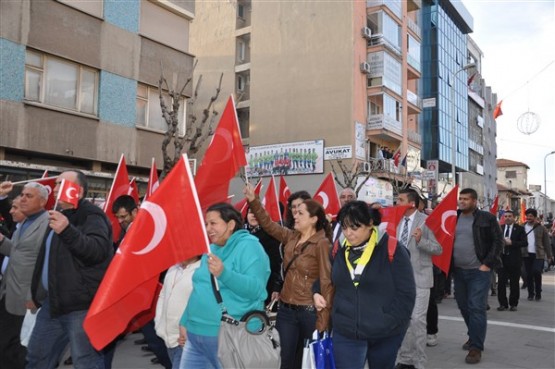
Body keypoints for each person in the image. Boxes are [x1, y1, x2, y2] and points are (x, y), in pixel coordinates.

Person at [26, 170, 113, 369]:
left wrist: (67, 230)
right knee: (36, 358)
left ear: (78, 191)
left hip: (80, 306)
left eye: (60, 184)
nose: (54, 189)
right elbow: (46, 259)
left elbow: (97, 251)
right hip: (52, 303)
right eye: (55, 184)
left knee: (85, 362)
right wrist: (36, 292)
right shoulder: (60, 214)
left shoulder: (91, 215)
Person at [244, 184, 333, 369]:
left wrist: (323, 320)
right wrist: (253, 201)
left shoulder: (322, 243)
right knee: (283, 359)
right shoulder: (291, 237)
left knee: (309, 361)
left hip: (310, 312)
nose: (295, 216)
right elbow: (268, 224)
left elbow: (326, 281)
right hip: (286, 311)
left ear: (314, 219)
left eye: (301, 213)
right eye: (295, 212)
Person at [179, 203, 270, 369]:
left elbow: (257, 290)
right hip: (195, 335)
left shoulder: (250, 246)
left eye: (213, 223)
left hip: (229, 338)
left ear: (230, 225)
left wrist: (224, 274)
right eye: (206, 224)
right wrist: (184, 320)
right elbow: (200, 285)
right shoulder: (211, 249)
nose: (208, 229)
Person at [331, 201, 415, 369]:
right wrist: (317, 291)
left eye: (354, 228)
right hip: (346, 331)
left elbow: (407, 293)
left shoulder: (392, 249)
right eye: (345, 227)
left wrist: (390, 320)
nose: (348, 233)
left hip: (384, 334)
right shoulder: (338, 248)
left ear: (370, 224)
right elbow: (326, 279)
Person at [110, 194, 172, 369]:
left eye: (124, 216)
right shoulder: (127, 233)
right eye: (118, 217)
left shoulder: (147, 231)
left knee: (158, 343)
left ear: (135, 212)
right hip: (140, 297)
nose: (121, 221)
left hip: (152, 296)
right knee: (156, 343)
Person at [0, 182, 49, 369]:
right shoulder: (25, 222)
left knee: (18, 348)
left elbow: (43, 263)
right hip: (9, 294)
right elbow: (18, 252)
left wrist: (34, 295)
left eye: (29, 196)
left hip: (26, 299)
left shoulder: (47, 224)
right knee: (6, 345)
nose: (22, 199)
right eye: (22, 195)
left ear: (43, 201)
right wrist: (3, 240)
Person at [452, 188, 503, 365]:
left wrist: (486, 264)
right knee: (464, 306)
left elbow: (498, 241)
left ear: (474, 201)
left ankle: (476, 348)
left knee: (476, 307)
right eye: (461, 198)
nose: (462, 201)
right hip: (458, 271)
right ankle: (474, 335)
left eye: (466, 199)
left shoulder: (486, 218)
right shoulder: (453, 217)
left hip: (478, 271)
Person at [395, 189, 442, 369]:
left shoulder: (426, 221)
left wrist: (421, 240)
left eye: (400, 200)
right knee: (404, 320)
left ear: (411, 203)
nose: (396, 203)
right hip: (399, 280)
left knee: (417, 320)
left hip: (420, 278)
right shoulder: (396, 222)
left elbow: (438, 249)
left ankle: (419, 362)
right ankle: (405, 359)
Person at [155, 255, 201, 369]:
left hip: (186, 342)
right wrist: (159, 322)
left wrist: (192, 332)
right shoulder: (172, 268)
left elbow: (203, 305)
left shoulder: (202, 271)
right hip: (169, 339)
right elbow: (163, 295)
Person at [245, 207, 283, 304]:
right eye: (250, 212)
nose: (253, 215)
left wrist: (276, 287)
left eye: (257, 213)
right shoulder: (240, 234)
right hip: (245, 284)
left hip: (266, 284)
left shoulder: (271, 235)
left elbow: (277, 264)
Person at [497, 210, 527, 311]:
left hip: (514, 260)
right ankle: (502, 303)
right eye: (505, 216)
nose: (507, 218)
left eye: (509, 216)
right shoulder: (500, 228)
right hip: (502, 260)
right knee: (501, 283)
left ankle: (513, 304)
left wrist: (512, 243)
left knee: (514, 283)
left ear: (514, 217)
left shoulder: (519, 229)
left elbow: (524, 243)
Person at [522, 208, 553, 301]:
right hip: (526, 254)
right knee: (528, 274)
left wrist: (549, 255)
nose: (528, 218)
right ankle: (531, 293)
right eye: (527, 216)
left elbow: (547, 242)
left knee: (536, 272)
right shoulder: (522, 227)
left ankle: (538, 292)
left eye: (531, 216)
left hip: (538, 254)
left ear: (535, 217)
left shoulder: (541, 228)